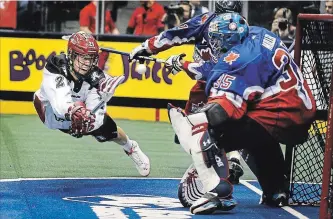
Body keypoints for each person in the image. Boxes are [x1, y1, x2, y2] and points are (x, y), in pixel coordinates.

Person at [165, 13, 316, 214]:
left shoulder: (239, 60)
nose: (215, 45)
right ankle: (276, 190)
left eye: (218, 40)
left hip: (280, 113)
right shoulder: (258, 34)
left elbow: (220, 112)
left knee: (211, 130)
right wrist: (184, 65)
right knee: (257, 132)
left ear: (230, 40)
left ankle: (219, 194)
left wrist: (192, 122)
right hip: (301, 110)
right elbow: (229, 70)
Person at [130, 0, 244, 192]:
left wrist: (182, 65)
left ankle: (224, 163)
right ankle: (231, 158)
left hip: (221, 83)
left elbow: (213, 71)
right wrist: (147, 47)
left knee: (198, 127)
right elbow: (176, 34)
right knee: (192, 129)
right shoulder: (221, 24)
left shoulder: (233, 28)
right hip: (217, 84)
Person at [33, 31, 150, 177]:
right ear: (71, 55)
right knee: (60, 112)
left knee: (110, 131)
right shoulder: (55, 67)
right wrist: (74, 110)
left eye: (90, 58)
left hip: (78, 114)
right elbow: (59, 103)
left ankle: (131, 147)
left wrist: (100, 101)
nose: (86, 63)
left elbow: (96, 115)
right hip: (49, 111)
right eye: (82, 57)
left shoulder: (97, 78)